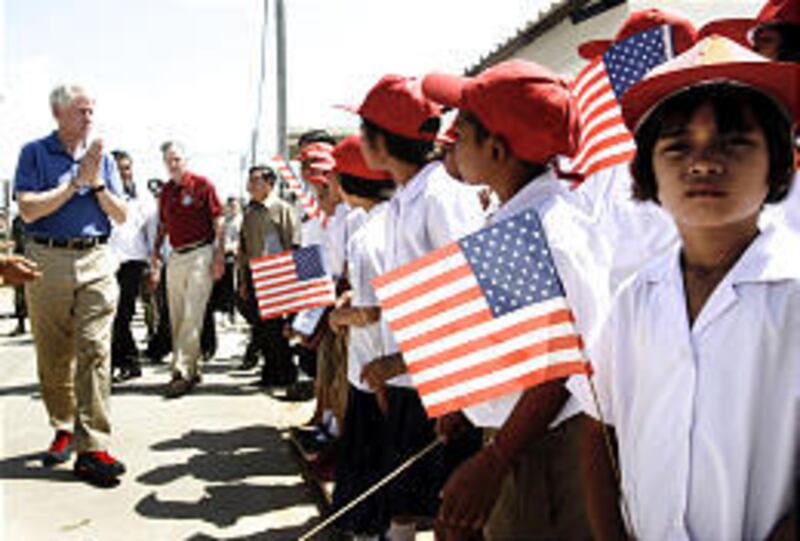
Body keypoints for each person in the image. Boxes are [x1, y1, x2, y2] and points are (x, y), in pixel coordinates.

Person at [570, 36, 799, 539]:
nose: (702, 162)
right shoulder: (633, 301)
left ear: (781, 165)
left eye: (735, 141)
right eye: (676, 146)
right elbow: (597, 427)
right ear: (647, 171)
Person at [422, 59, 605, 541]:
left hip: (536, 447)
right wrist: (468, 403)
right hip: (532, 436)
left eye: (463, 128)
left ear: (497, 150)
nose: (452, 136)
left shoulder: (523, 233)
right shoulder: (546, 211)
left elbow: (555, 370)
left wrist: (496, 458)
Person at [353, 73, 486, 541]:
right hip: (412, 377)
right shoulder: (404, 202)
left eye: (365, 130)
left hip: (444, 382)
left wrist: (405, 365)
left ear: (382, 139)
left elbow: (468, 295)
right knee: (411, 505)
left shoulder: (441, 196)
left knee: (455, 513)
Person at [14, 83, 128, 486]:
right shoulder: (34, 152)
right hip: (46, 259)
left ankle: (92, 445)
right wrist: (74, 184)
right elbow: (28, 210)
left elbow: (121, 214)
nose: (89, 118)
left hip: (96, 258)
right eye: (81, 110)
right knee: (54, 353)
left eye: (92, 110)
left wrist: (96, 183)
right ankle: (63, 426)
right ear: (58, 113)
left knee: (96, 349)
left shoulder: (104, 159)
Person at [326, 135, 395, 539]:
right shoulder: (378, 221)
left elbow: (372, 312)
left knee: (372, 468)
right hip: (378, 364)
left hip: (374, 365)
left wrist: (340, 316)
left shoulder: (369, 234)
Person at [151, 141, 224, 398]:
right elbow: (162, 225)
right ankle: (192, 366)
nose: (173, 165)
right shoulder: (166, 191)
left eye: (177, 159)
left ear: (186, 159)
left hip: (201, 253)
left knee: (193, 312)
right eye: (168, 160)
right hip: (176, 255)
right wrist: (156, 253)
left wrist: (218, 255)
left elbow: (219, 221)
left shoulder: (203, 185)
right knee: (177, 314)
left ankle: (180, 370)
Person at [236, 164, 300, 385]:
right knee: (261, 329)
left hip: (278, 275)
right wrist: (243, 280)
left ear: (270, 184)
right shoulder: (249, 212)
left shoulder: (282, 209)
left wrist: (294, 281)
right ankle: (270, 371)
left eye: (256, 180)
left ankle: (285, 373)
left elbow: (294, 243)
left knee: (277, 329)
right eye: (250, 180)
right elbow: (243, 250)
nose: (250, 185)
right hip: (255, 276)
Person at [109, 150, 157, 382]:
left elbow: (152, 231)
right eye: (118, 169)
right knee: (105, 316)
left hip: (132, 262)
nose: (123, 173)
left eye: (127, 168)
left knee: (122, 315)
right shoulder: (99, 194)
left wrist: (152, 265)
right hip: (105, 263)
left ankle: (128, 362)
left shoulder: (143, 197)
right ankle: (115, 363)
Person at [10, 214, 30, 335]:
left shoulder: (39, 216)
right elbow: (15, 239)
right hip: (20, 257)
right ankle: (20, 323)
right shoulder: (16, 221)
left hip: (36, 257)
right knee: (19, 293)